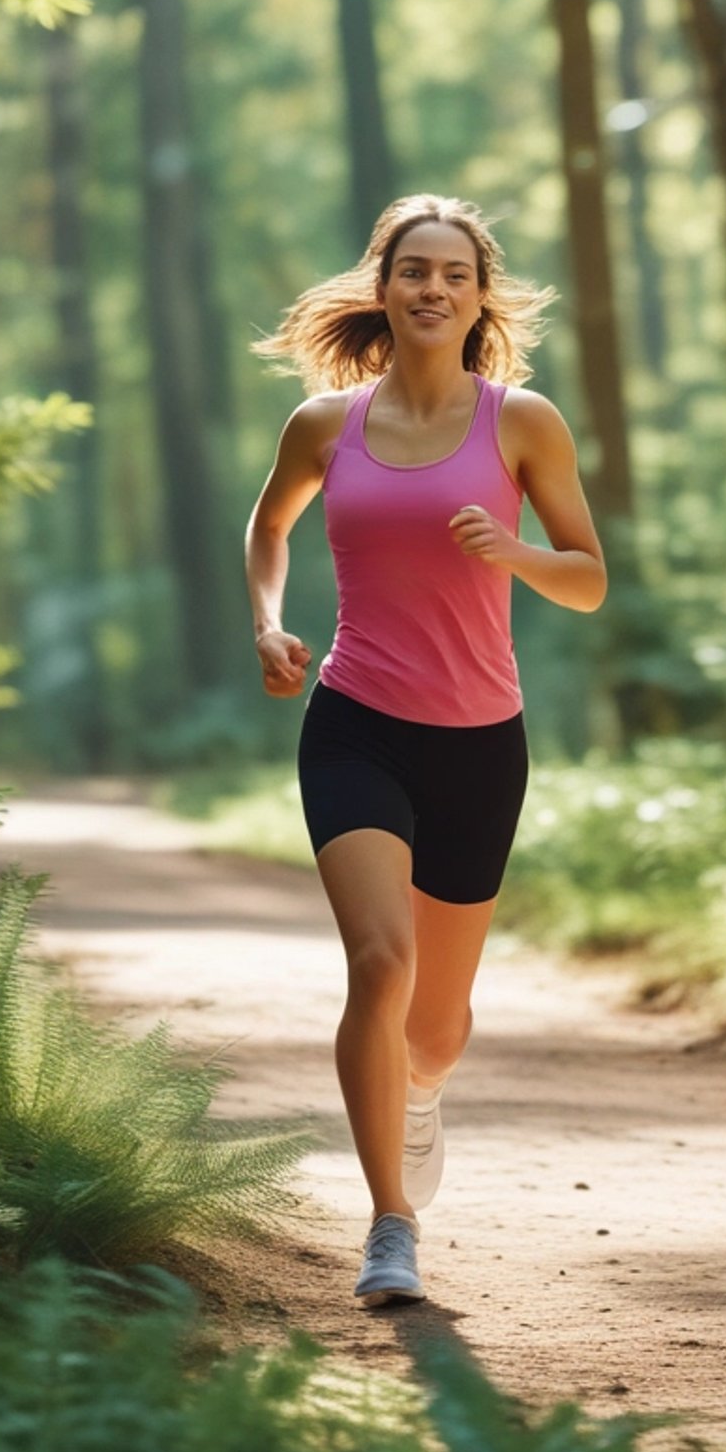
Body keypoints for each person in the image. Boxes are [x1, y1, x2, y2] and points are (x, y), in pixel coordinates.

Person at [246, 194, 606, 1307]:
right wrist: (266, 616)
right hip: (355, 721)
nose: (432, 289)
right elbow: (270, 526)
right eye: (414, 270)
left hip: (480, 743)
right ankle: (389, 1224)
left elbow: (589, 578)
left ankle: (424, 1089)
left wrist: (516, 551)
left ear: (479, 297)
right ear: (384, 287)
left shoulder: (524, 424)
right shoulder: (325, 425)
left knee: (436, 1028)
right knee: (379, 965)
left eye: (454, 273)